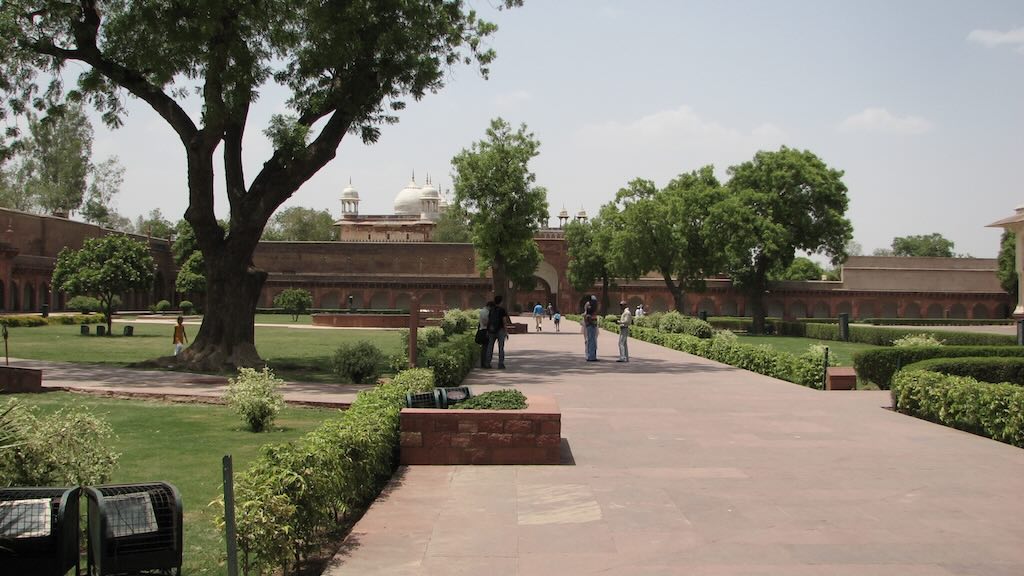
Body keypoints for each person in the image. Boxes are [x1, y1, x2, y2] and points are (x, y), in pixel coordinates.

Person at [486, 295, 511, 369]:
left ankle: (487, 363)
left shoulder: (491, 309)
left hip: (491, 330)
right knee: (501, 348)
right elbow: (504, 322)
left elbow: (488, 321)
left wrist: (488, 330)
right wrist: (506, 332)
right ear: (501, 302)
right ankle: (500, 364)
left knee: (490, 347)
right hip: (500, 330)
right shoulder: (502, 310)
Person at [477, 301, 493, 368]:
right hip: (485, 330)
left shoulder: (483, 311)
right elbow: (484, 322)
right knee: (486, 348)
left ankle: (484, 363)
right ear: (489, 306)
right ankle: (484, 363)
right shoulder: (485, 312)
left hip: (483, 329)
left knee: (485, 348)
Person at [584, 295, 599, 361]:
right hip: (591, 325)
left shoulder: (590, 306)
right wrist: (592, 323)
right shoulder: (590, 307)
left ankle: (591, 356)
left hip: (590, 325)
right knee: (591, 341)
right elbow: (588, 316)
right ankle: (591, 357)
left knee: (591, 341)